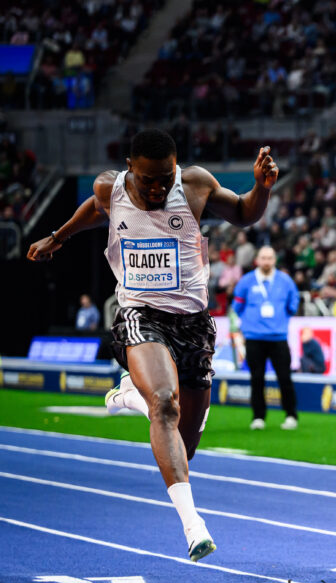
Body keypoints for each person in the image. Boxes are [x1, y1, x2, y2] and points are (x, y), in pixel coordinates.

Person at [27, 129, 278, 561]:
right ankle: (193, 525)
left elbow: (243, 215)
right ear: (130, 169)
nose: (159, 186)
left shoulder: (195, 184)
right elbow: (95, 209)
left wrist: (262, 188)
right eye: (149, 180)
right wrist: (59, 235)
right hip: (140, 314)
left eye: (166, 176)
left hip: (194, 325)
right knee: (164, 402)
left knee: (185, 442)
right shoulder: (111, 188)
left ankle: (129, 396)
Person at [232, 246, 300, 429]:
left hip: (278, 337)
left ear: (275, 259)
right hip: (254, 337)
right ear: (257, 260)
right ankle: (258, 417)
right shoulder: (246, 281)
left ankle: (291, 415)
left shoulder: (286, 281)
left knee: (284, 378)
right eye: (263, 258)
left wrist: (284, 315)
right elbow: (236, 305)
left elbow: (294, 301)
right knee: (256, 378)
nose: (267, 261)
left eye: (270, 258)